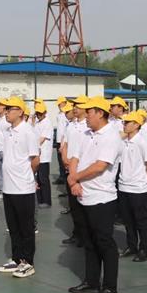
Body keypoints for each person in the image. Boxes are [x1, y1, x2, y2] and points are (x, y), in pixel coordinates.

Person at [67, 96, 122, 293]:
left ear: (100, 113)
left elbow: (100, 166)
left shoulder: (111, 136)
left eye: (89, 112)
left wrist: (75, 178)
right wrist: (74, 181)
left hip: (102, 198)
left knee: (104, 242)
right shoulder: (86, 133)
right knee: (89, 242)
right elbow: (75, 158)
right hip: (83, 194)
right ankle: (91, 281)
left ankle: (110, 287)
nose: (86, 115)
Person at [0, 96, 39, 278]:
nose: (6, 112)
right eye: (5, 109)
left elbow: (35, 159)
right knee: (13, 227)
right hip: (8, 188)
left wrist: (26, 176)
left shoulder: (28, 132)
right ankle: (16, 258)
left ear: (20, 111)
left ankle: (28, 262)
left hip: (23, 188)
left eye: (10, 109)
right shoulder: (8, 131)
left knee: (26, 228)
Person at [117, 111, 147, 262]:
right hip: (123, 186)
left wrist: (145, 181)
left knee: (141, 220)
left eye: (127, 122)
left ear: (137, 125)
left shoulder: (141, 142)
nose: (124, 125)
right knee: (128, 220)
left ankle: (144, 250)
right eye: (124, 122)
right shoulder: (124, 141)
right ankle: (131, 246)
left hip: (137, 188)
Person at [60, 95, 89, 246]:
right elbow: (64, 144)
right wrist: (65, 158)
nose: (75, 108)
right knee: (73, 205)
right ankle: (77, 233)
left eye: (78, 105)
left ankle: (85, 235)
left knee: (83, 204)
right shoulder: (71, 125)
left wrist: (74, 163)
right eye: (74, 106)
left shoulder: (88, 126)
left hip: (81, 170)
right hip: (69, 169)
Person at [34, 102, 53, 208]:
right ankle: (40, 199)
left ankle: (46, 201)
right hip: (37, 154)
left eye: (40, 113)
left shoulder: (47, 123)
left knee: (43, 178)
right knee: (38, 178)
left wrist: (34, 146)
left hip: (44, 155)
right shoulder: (38, 122)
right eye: (37, 113)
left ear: (45, 112)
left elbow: (42, 138)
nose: (39, 115)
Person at [54, 96, 70, 185]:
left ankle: (65, 177)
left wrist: (63, 142)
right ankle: (62, 176)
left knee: (64, 159)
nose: (59, 106)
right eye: (58, 104)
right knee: (59, 160)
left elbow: (66, 129)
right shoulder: (59, 114)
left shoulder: (66, 115)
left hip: (64, 140)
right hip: (58, 140)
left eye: (60, 104)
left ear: (64, 103)